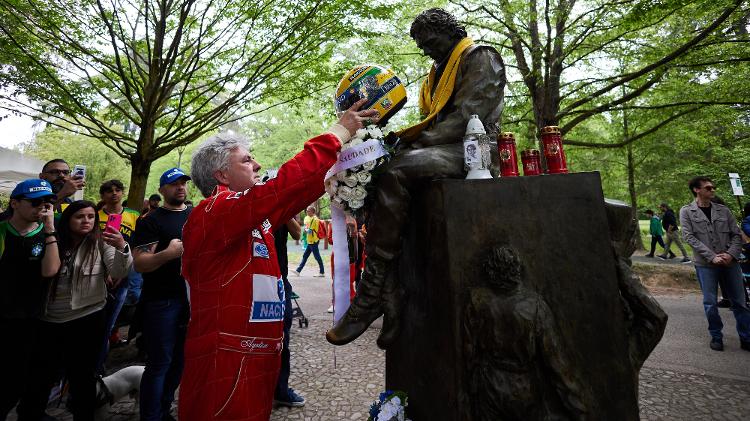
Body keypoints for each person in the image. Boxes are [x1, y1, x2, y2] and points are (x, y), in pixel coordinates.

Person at [179, 100, 375, 421]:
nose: (257, 165)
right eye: (247, 160)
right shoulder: (212, 213)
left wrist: (347, 152)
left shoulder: (255, 219)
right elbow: (283, 186)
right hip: (225, 362)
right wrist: (336, 132)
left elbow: (298, 191)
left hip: (261, 358)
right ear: (221, 175)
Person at [327, 8, 506, 348]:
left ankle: (371, 292)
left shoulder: (480, 57)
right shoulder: (435, 72)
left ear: (450, 31)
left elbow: (468, 118)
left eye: (429, 42)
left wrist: (409, 141)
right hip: (442, 148)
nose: (425, 50)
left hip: (473, 149)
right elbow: (433, 121)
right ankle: (391, 291)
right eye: (421, 45)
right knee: (373, 170)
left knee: (395, 168)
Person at [22, 200, 132, 420]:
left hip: (87, 318)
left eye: (91, 217)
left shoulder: (101, 242)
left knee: (82, 376)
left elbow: (119, 269)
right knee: (41, 376)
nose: (87, 221)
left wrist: (122, 246)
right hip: (49, 319)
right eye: (80, 216)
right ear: (68, 219)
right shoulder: (51, 239)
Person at [131, 168, 193, 421]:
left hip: (191, 300)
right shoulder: (150, 221)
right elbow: (140, 263)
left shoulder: (196, 215)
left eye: (183, 183)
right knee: (160, 364)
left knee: (180, 361)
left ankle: (165, 409)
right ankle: (151, 416)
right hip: (162, 301)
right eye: (174, 184)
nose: (180, 187)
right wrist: (167, 254)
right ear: (162, 189)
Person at [0, 180, 59, 420]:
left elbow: (49, 270)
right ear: (15, 203)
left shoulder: (46, 233)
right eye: (35, 202)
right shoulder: (3, 229)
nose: (42, 207)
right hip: (3, 314)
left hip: (31, 317)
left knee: (17, 379)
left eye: (47, 202)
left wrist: (49, 231)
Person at [680, 176, 750, 352]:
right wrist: (712, 257)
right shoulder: (687, 211)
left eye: (713, 188)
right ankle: (716, 337)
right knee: (710, 303)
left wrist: (730, 254)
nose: (712, 190)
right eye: (708, 188)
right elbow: (689, 237)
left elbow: (736, 234)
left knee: (740, 302)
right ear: (697, 190)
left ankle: (746, 337)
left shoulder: (724, 211)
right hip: (706, 265)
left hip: (730, 263)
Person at [95, 179, 142, 372]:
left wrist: (123, 272)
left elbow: (138, 244)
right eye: (108, 191)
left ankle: (100, 362)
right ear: (102, 195)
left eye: (117, 190)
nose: (114, 194)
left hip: (125, 271)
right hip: (98, 273)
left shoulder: (133, 215)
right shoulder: (96, 216)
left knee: (113, 317)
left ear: (122, 193)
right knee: (99, 321)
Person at [273, 217, 305, 407]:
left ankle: (281, 390)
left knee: (282, 338)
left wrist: (283, 210)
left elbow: (297, 233)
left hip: (280, 281)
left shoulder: (281, 204)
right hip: (254, 279)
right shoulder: (248, 196)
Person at [293, 206, 326, 277]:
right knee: (305, 256)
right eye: (307, 210)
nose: (307, 211)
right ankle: (298, 271)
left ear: (312, 212)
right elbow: (307, 228)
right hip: (310, 241)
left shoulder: (315, 220)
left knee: (317, 256)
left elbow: (310, 231)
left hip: (313, 241)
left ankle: (322, 272)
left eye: (308, 211)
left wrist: (306, 230)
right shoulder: (308, 218)